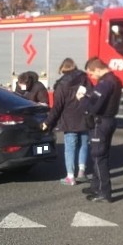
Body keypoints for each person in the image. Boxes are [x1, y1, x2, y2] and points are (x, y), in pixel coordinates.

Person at [77, 57, 122, 203]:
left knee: (98, 157)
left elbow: (93, 107)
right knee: (101, 155)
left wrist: (82, 99)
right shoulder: (115, 80)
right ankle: (96, 186)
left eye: (92, 73)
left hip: (100, 123)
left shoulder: (104, 83)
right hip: (109, 121)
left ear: (97, 69)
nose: (92, 77)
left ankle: (104, 192)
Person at [41, 58, 92, 186]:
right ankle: (81, 173)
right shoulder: (85, 79)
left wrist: (47, 122)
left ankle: (70, 177)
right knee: (83, 144)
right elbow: (92, 95)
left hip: (69, 121)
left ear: (63, 69)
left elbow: (57, 107)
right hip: (85, 118)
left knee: (70, 148)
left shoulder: (61, 85)